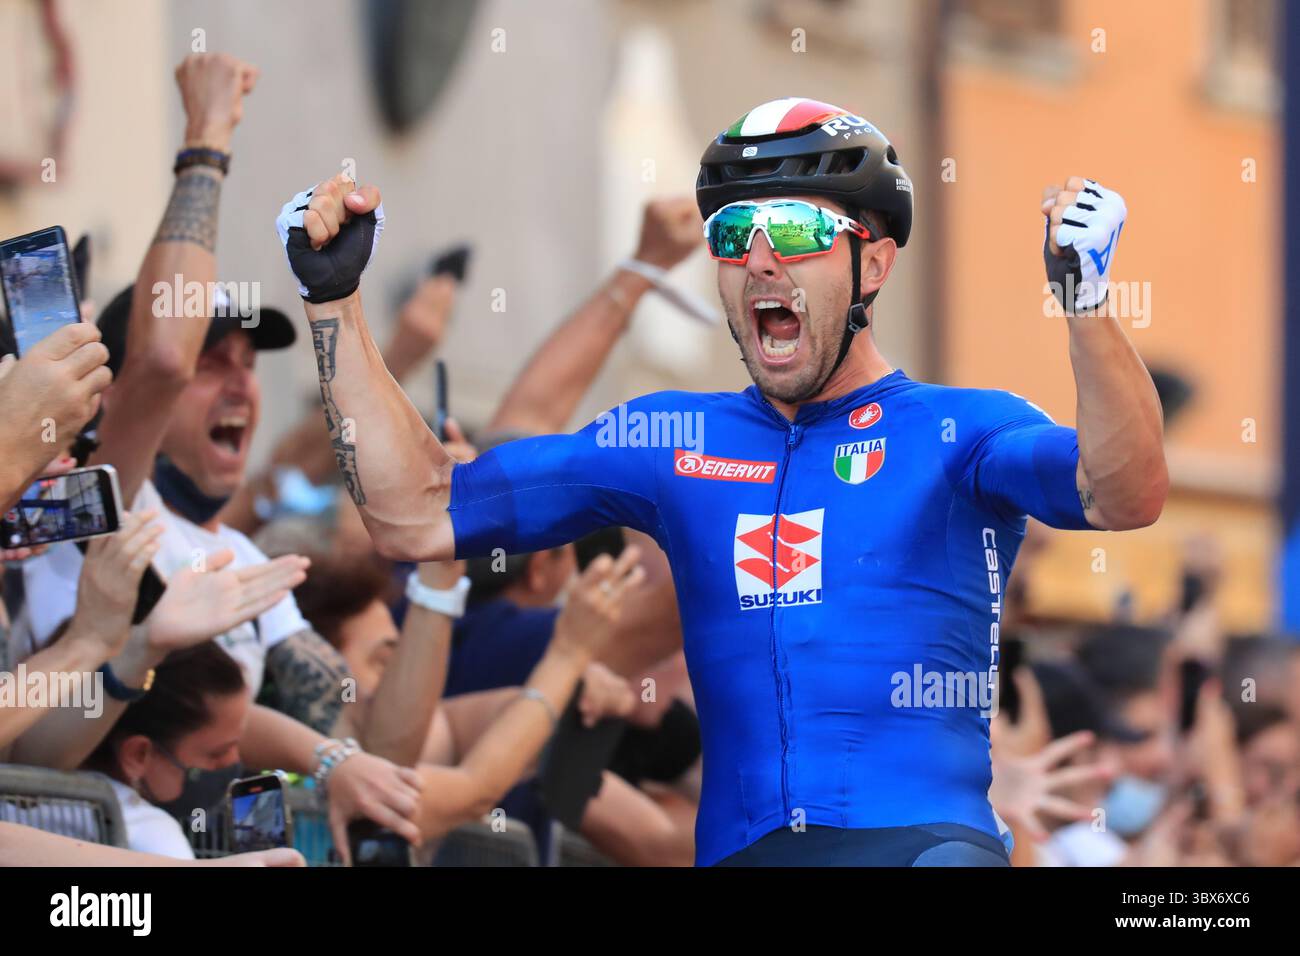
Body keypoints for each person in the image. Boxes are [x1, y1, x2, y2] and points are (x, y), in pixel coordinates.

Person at [273, 97, 1167, 866]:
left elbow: (1121, 492)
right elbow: (417, 514)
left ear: (877, 265)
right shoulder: (672, 438)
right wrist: (335, 304)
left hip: (920, 846)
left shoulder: (959, 428)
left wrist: (1088, 307)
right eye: (735, 235)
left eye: (803, 232)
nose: (762, 260)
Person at [12, 52, 423, 858]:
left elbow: (369, 739)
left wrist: (335, 756)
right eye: (214, 360)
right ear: (115, 390)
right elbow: (161, 357)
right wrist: (206, 140)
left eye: (249, 364)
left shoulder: (237, 558)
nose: (239, 384)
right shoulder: (82, 503)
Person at [82, 642, 249, 859]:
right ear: (138, 754)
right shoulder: (152, 836)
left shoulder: (30, 808)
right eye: (216, 753)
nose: (234, 760)